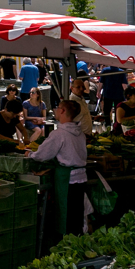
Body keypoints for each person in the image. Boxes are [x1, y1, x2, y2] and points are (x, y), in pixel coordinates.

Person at [30, 99, 87, 236]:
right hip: (81, 179)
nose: (55, 110)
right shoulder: (81, 133)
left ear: (62, 111)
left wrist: (30, 154)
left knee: (65, 214)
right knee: (77, 214)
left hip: (67, 180)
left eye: (57, 107)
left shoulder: (58, 134)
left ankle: (66, 244)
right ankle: (77, 242)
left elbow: (42, 155)